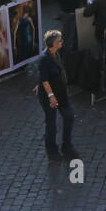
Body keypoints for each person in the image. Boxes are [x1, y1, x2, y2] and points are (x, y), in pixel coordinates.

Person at [36, 30, 79, 161]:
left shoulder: (56, 53)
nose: (62, 42)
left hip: (61, 93)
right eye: (59, 41)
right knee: (51, 123)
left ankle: (67, 145)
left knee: (69, 117)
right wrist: (51, 96)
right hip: (49, 96)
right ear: (53, 44)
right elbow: (45, 80)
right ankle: (52, 149)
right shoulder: (44, 59)